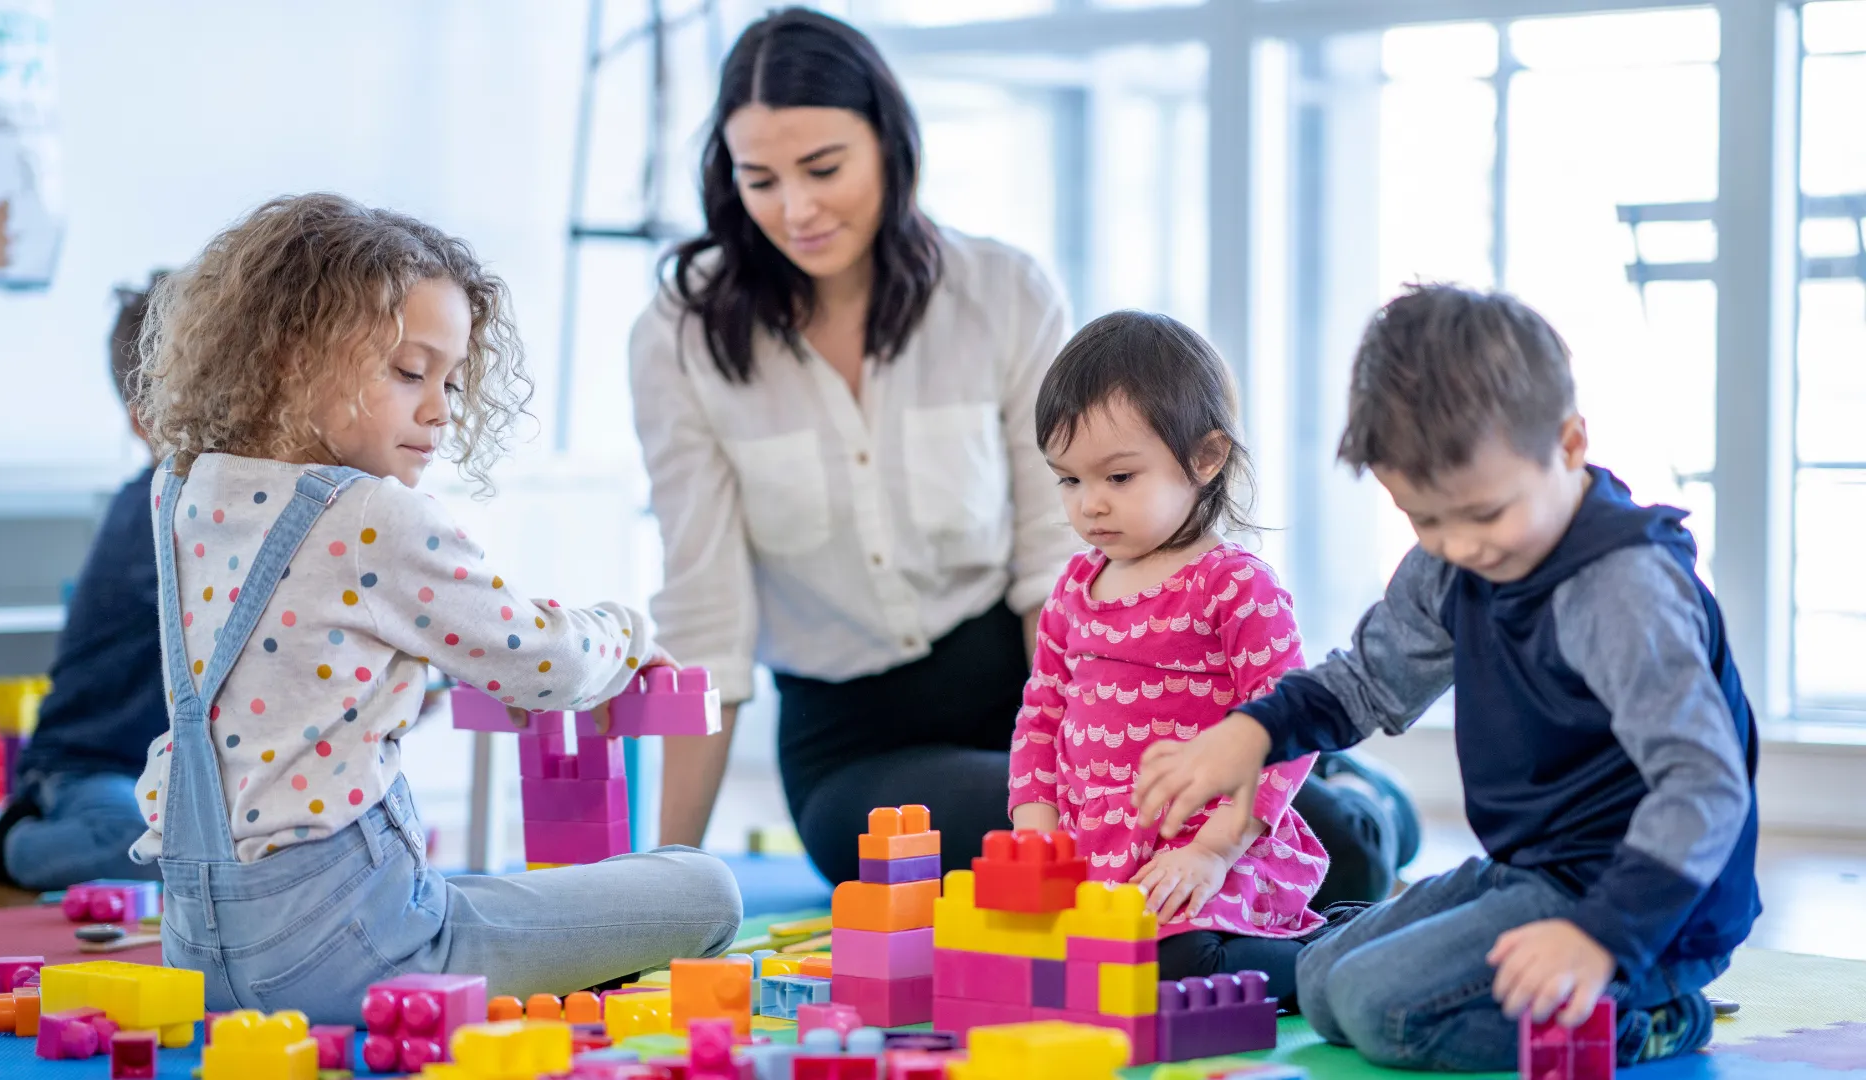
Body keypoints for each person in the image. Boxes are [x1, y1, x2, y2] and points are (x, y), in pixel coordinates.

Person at [631, 6, 1419, 898]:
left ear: (892, 146)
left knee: (1303, 839)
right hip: (862, 748)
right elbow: (706, 619)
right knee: (1079, 868)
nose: (796, 209)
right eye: (759, 180)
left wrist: (1098, 759)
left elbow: (1061, 556)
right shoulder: (680, 336)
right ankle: (1346, 801)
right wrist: (669, 884)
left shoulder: (999, 292)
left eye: (823, 168)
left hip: (1053, 687)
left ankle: (1349, 793)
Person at [128, 193, 740, 1024]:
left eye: (451, 380)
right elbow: (542, 662)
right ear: (289, 357)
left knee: (488, 892)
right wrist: (627, 636)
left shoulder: (182, 491)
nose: (441, 409)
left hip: (197, 953)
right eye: (410, 372)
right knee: (705, 887)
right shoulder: (371, 513)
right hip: (355, 956)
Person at [1134, 284, 1758, 1069]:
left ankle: (1655, 1016)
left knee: (1381, 1014)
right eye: (1425, 519)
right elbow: (1366, 681)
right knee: (1324, 984)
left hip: (1645, 907)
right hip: (1532, 871)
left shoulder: (1619, 589)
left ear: (1568, 446)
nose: (1459, 545)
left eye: (1485, 515)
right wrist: (1250, 733)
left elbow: (1704, 786)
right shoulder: (1453, 561)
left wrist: (1602, 937)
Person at [1010, 311, 1326, 998]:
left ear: (1206, 458)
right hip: (1102, 862)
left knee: (1175, 967)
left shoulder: (1234, 586)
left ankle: (1338, 956)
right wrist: (1034, 833)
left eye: (1119, 478)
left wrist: (1213, 850)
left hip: (1214, 853)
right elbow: (1041, 717)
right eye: (1067, 481)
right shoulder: (1072, 588)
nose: (1089, 505)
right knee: (1040, 968)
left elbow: (1289, 730)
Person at [0, 276, 171, 890]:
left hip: (167, 782)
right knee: (139, 848)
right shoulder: (148, 513)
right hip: (89, 770)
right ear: (143, 423)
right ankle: (12, 846)